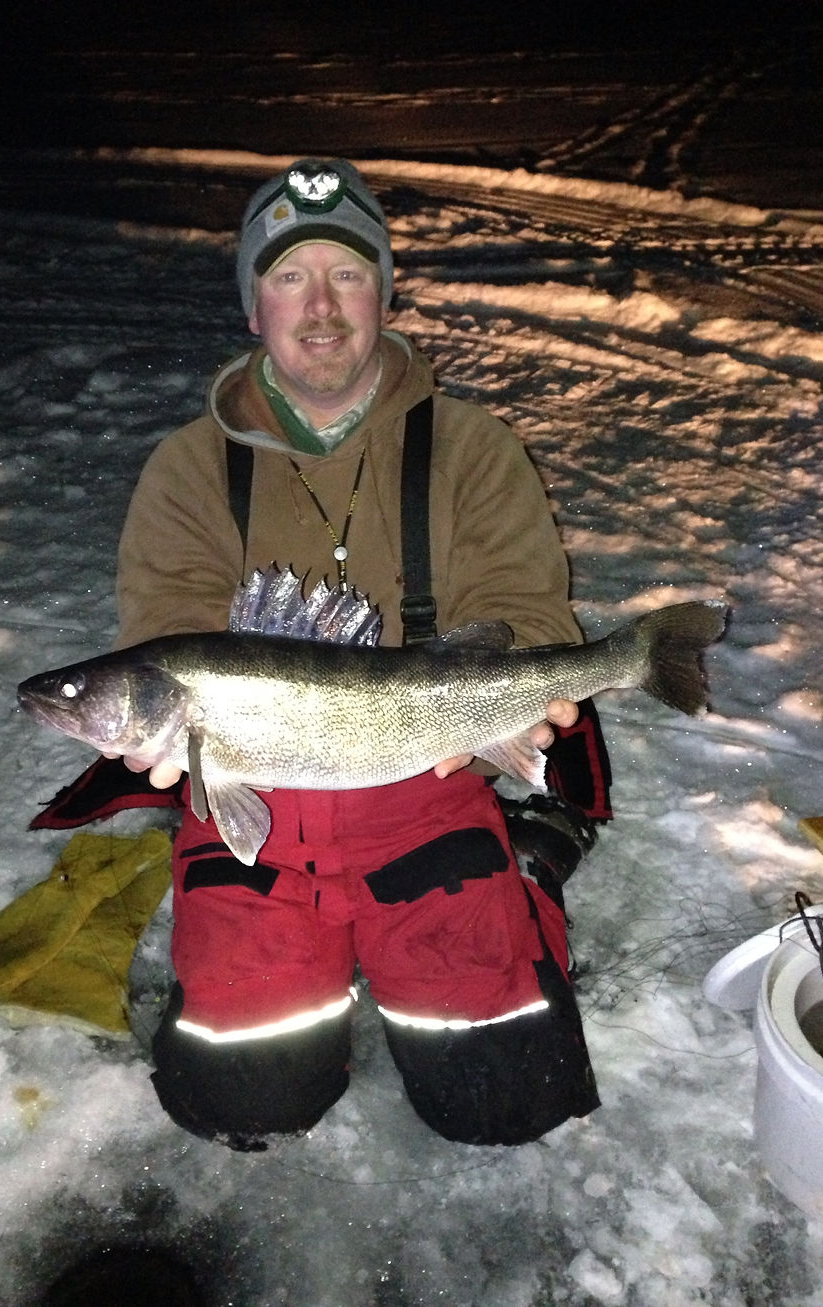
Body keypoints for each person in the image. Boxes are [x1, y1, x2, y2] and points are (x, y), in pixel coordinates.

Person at [113, 159, 610, 1151]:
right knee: (240, 1098)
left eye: (347, 272)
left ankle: (528, 867)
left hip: (425, 779)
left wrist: (493, 726)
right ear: (253, 307)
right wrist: (173, 750)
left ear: (384, 292)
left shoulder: (469, 447)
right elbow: (165, 621)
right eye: (289, 276)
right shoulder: (185, 469)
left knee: (503, 1097)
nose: (322, 306)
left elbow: (521, 612)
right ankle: (304, 957)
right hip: (261, 799)